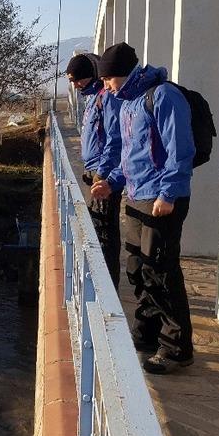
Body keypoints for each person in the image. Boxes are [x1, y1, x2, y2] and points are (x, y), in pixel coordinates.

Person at [90, 42, 195, 375]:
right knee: (138, 267)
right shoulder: (127, 104)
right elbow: (129, 158)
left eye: (108, 80)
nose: (105, 86)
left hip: (160, 200)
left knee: (161, 271)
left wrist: (169, 194)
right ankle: (148, 332)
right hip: (136, 196)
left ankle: (175, 346)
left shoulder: (163, 96)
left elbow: (181, 151)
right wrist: (112, 182)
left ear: (123, 74)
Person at [65, 53, 122, 286]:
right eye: (71, 80)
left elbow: (114, 140)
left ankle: (107, 286)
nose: (75, 84)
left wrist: (102, 173)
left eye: (77, 79)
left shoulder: (106, 98)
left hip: (103, 175)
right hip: (94, 171)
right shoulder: (92, 98)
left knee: (105, 231)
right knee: (98, 226)